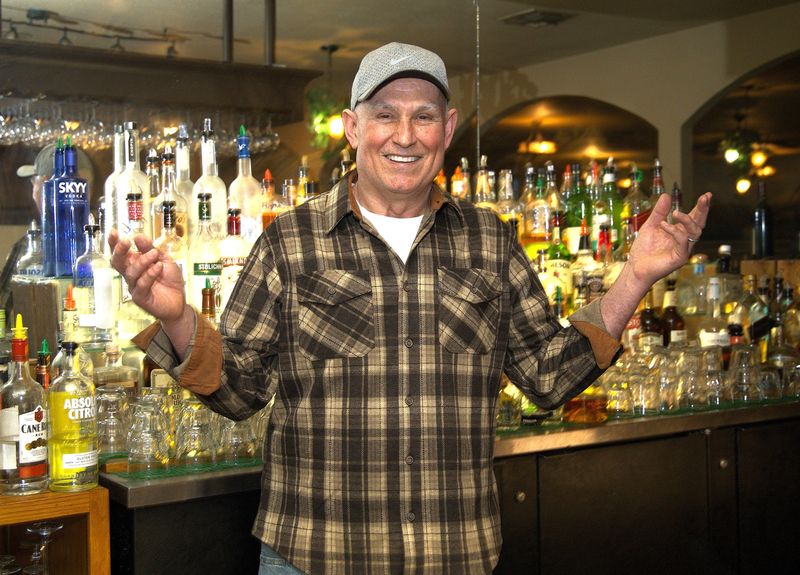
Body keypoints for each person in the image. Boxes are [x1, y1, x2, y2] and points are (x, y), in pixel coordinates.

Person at [110, 42, 711, 574]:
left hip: (454, 554)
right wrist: (176, 317)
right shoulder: (291, 241)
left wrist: (635, 276)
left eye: (423, 117)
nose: (404, 135)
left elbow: (549, 376)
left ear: (447, 129)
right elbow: (239, 390)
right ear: (351, 128)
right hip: (314, 556)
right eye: (384, 116)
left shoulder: (488, 240)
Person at [0, 143, 94, 316]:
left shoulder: (28, 248)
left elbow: (2, 311)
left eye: (33, 183)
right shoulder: (104, 242)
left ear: (45, 186)